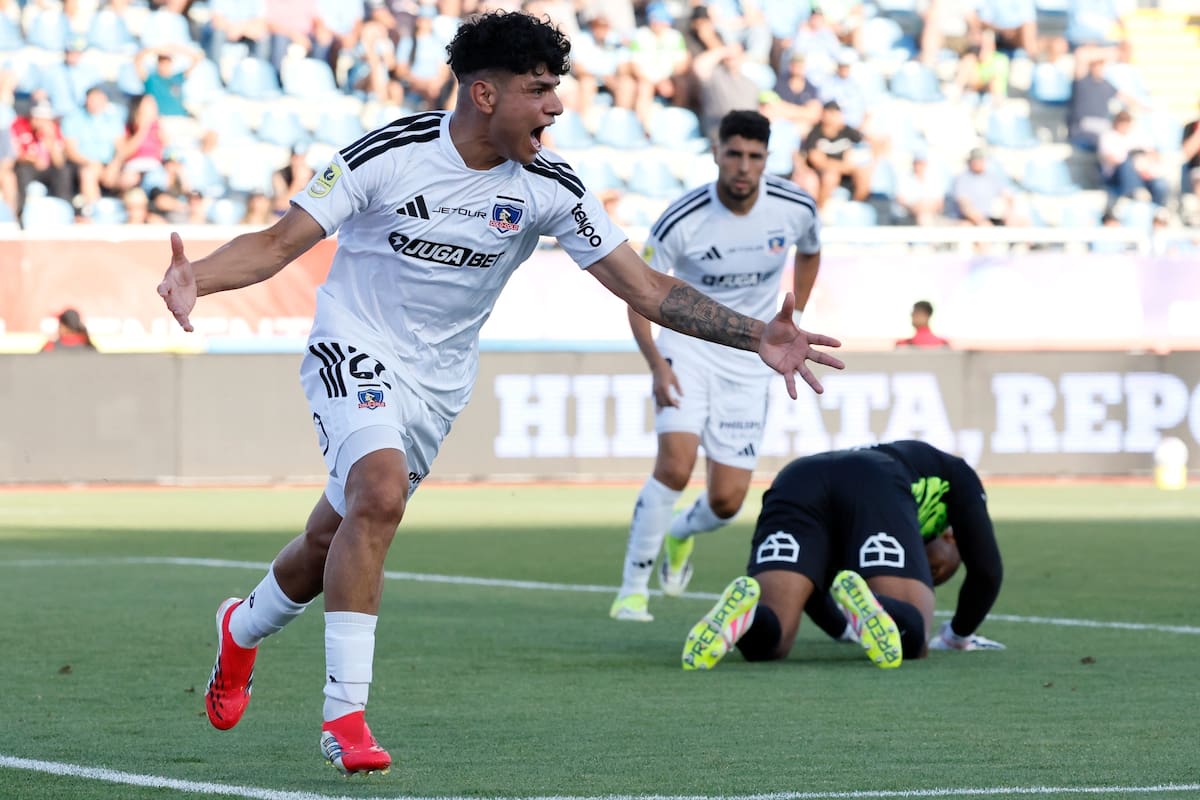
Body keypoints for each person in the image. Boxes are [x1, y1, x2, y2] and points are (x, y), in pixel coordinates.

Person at [157, 11, 844, 777]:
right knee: (378, 497)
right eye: (540, 90)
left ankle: (241, 628)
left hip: (440, 383)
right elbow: (280, 244)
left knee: (332, 539)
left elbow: (645, 287)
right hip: (353, 342)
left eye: (557, 90)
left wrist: (759, 334)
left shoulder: (549, 185)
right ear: (484, 94)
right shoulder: (391, 153)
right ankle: (345, 715)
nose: (556, 106)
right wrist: (200, 278)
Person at [610, 110, 821, 623]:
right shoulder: (681, 219)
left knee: (727, 502)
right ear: (717, 154)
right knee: (675, 466)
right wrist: (657, 365)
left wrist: (796, 315)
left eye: (754, 156)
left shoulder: (795, 208)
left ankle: (681, 532)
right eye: (734, 154)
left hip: (754, 358)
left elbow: (810, 252)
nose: (744, 166)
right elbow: (640, 294)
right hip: (690, 349)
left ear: (767, 159)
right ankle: (632, 589)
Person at [681, 439, 1004, 671]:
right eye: (936, 571)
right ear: (950, 535)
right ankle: (884, 609)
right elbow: (987, 570)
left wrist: (844, 629)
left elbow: (813, 582)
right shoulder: (953, 472)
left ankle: (748, 618)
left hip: (797, 478)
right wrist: (955, 636)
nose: (929, 574)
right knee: (912, 640)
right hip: (875, 478)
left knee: (772, 643)